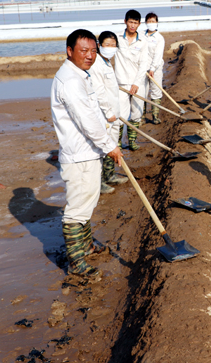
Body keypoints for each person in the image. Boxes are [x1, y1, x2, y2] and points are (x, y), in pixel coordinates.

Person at [51, 29, 123, 279]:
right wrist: (109, 145)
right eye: (84, 51)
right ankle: (76, 263)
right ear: (69, 51)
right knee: (77, 210)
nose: (90, 55)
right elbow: (87, 120)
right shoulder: (70, 80)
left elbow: (93, 113)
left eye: (93, 51)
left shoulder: (81, 75)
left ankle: (87, 245)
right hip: (79, 156)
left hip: (88, 153)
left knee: (87, 203)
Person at [88, 31, 130, 194]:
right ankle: (98, 182)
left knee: (112, 145)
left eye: (113, 45)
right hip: (105, 115)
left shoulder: (107, 62)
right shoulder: (96, 64)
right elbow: (99, 92)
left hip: (114, 113)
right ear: (99, 45)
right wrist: (107, 112)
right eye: (107, 44)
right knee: (102, 148)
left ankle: (109, 175)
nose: (110, 48)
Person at [115, 9, 151, 150]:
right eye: (130, 22)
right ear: (125, 21)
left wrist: (136, 83)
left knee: (136, 113)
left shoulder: (143, 41)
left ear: (139, 24)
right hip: (121, 83)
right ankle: (118, 143)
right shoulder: (117, 38)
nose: (132, 25)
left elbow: (144, 64)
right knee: (120, 114)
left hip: (138, 83)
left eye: (135, 23)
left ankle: (132, 141)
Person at [144, 12, 165, 124]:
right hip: (143, 68)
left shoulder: (159, 38)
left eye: (153, 21)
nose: (151, 23)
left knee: (156, 91)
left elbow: (158, 55)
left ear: (157, 23)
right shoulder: (141, 35)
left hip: (155, 69)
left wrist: (152, 68)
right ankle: (141, 116)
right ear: (145, 22)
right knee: (142, 91)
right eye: (149, 21)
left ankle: (155, 116)